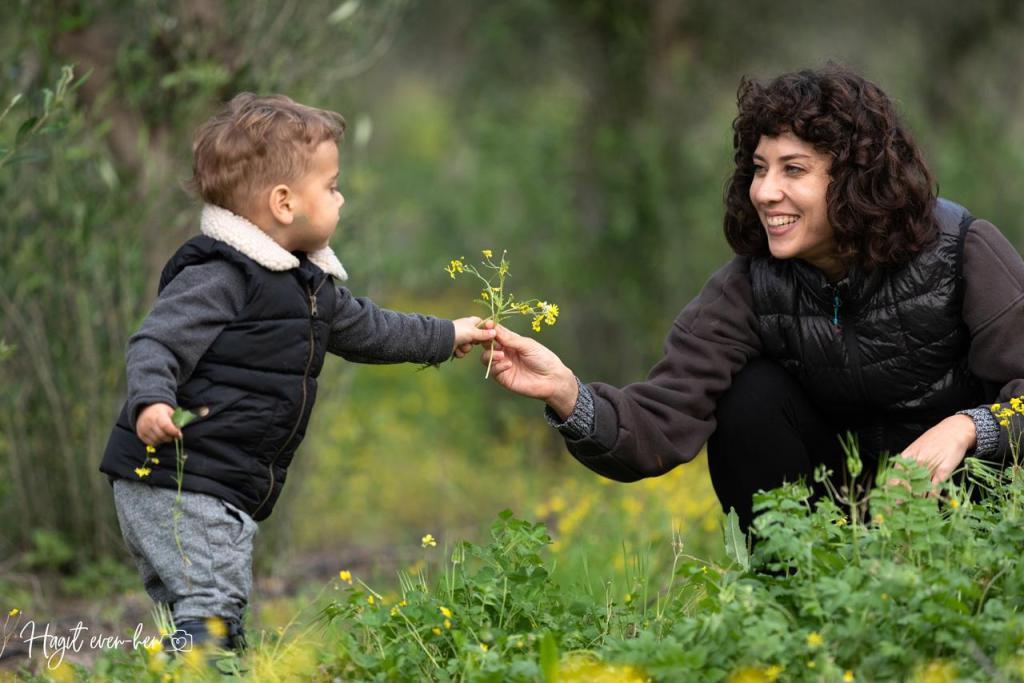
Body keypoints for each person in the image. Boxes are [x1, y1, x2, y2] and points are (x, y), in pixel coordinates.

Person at [481, 65, 1024, 532]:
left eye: (794, 169)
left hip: (967, 516)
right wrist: (567, 394)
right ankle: (790, 605)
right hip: (839, 533)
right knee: (749, 394)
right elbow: (660, 421)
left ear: (856, 180)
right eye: (760, 169)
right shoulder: (750, 286)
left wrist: (969, 427)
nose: (764, 192)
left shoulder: (962, 251)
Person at [100, 93, 495, 653]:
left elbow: (374, 331)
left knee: (201, 616)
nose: (342, 197)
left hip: (208, 483)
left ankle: (189, 665)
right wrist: (151, 402)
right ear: (284, 204)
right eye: (332, 186)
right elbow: (155, 341)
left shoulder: (309, 287)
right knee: (214, 616)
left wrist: (447, 335)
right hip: (179, 478)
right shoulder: (221, 275)